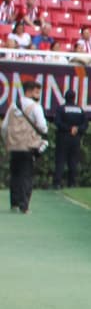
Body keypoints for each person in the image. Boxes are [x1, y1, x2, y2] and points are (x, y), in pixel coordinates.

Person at [3, 79, 48, 214]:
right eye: (37, 91)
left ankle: (14, 203)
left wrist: (7, 141)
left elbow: (4, 126)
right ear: (30, 91)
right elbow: (43, 127)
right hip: (28, 145)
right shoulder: (35, 107)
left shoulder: (13, 105)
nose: (38, 94)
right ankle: (24, 205)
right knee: (26, 175)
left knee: (15, 174)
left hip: (14, 145)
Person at [52, 87, 88, 189]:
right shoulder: (80, 110)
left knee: (60, 160)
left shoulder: (61, 109)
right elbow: (85, 124)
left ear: (65, 97)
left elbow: (58, 122)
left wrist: (68, 128)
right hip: (75, 138)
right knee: (73, 161)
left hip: (63, 137)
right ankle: (72, 183)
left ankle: (57, 183)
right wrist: (77, 129)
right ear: (74, 97)